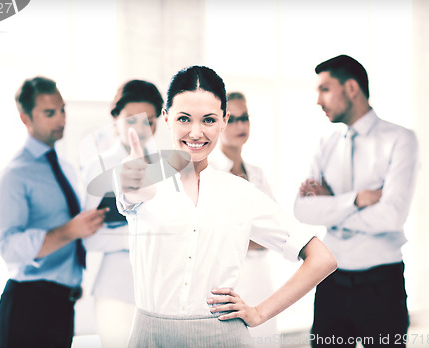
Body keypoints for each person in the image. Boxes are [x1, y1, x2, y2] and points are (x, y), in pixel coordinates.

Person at [116, 65, 337, 347]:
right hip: (151, 338)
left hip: (224, 337)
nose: (196, 133)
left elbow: (323, 259)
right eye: (184, 118)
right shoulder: (140, 180)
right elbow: (131, 192)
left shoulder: (241, 193)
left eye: (208, 120)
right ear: (166, 118)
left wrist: (259, 313)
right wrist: (133, 179)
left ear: (224, 121)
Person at [294, 55, 419, 347]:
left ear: (351, 88)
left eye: (325, 89)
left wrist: (331, 206)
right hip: (331, 282)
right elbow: (301, 209)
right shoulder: (325, 144)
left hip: (381, 285)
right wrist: (356, 200)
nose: (318, 101)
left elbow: (392, 217)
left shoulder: (400, 139)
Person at [0, 76, 107, 348]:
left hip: (63, 305)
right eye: (49, 113)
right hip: (28, 305)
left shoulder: (66, 169)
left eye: (63, 109)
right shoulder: (12, 176)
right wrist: (69, 231)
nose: (61, 119)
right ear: (25, 118)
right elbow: (8, 246)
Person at [81, 79, 163, 347]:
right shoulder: (99, 167)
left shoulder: (166, 166)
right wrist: (137, 237)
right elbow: (89, 237)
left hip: (161, 290)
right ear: (115, 118)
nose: (140, 130)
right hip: (115, 291)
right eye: (131, 120)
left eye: (148, 121)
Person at [209, 91, 278, 341]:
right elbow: (210, 236)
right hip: (226, 282)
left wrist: (243, 236)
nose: (240, 125)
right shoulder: (209, 173)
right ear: (219, 122)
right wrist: (253, 235)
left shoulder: (257, 174)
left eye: (245, 118)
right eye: (232, 118)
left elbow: (278, 232)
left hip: (261, 279)